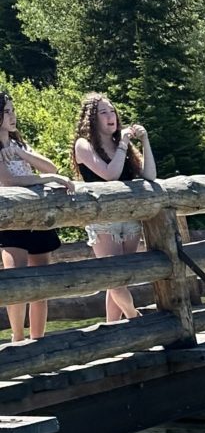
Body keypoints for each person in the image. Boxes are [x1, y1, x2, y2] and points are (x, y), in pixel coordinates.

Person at [72, 92, 156, 323]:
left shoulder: (121, 144)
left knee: (123, 280)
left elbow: (149, 175)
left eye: (112, 111)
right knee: (114, 278)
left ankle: (114, 330)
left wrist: (145, 141)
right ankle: (135, 318)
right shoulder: (83, 145)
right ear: (92, 118)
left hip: (129, 218)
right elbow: (110, 175)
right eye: (104, 112)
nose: (111, 116)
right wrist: (124, 144)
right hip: (103, 219)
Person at [0, 90, 74, 344]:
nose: (13, 116)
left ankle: (39, 340)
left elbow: (50, 167)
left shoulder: (18, 144)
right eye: (7, 111)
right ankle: (18, 340)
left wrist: (21, 153)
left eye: (13, 110)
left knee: (41, 284)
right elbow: (8, 181)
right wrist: (48, 180)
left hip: (39, 219)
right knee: (18, 282)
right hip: (12, 221)